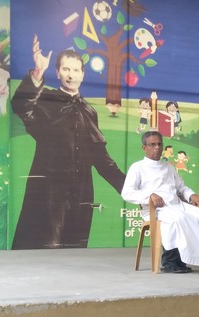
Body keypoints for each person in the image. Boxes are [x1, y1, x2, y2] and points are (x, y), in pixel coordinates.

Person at [11, 35, 126, 249]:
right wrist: (37, 72)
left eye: (75, 70)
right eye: (65, 69)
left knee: (75, 252)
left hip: (81, 196)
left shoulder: (89, 112)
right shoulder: (46, 100)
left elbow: (102, 160)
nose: (70, 75)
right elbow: (21, 106)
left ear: (82, 74)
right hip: (48, 195)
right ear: (57, 73)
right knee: (43, 249)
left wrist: (131, 189)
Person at [122, 131, 199, 273]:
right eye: (152, 144)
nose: (157, 147)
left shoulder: (168, 166)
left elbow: (181, 188)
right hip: (155, 210)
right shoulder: (138, 167)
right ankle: (170, 263)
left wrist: (192, 195)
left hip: (176, 205)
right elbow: (127, 193)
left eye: (159, 144)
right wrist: (149, 196)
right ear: (144, 147)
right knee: (177, 219)